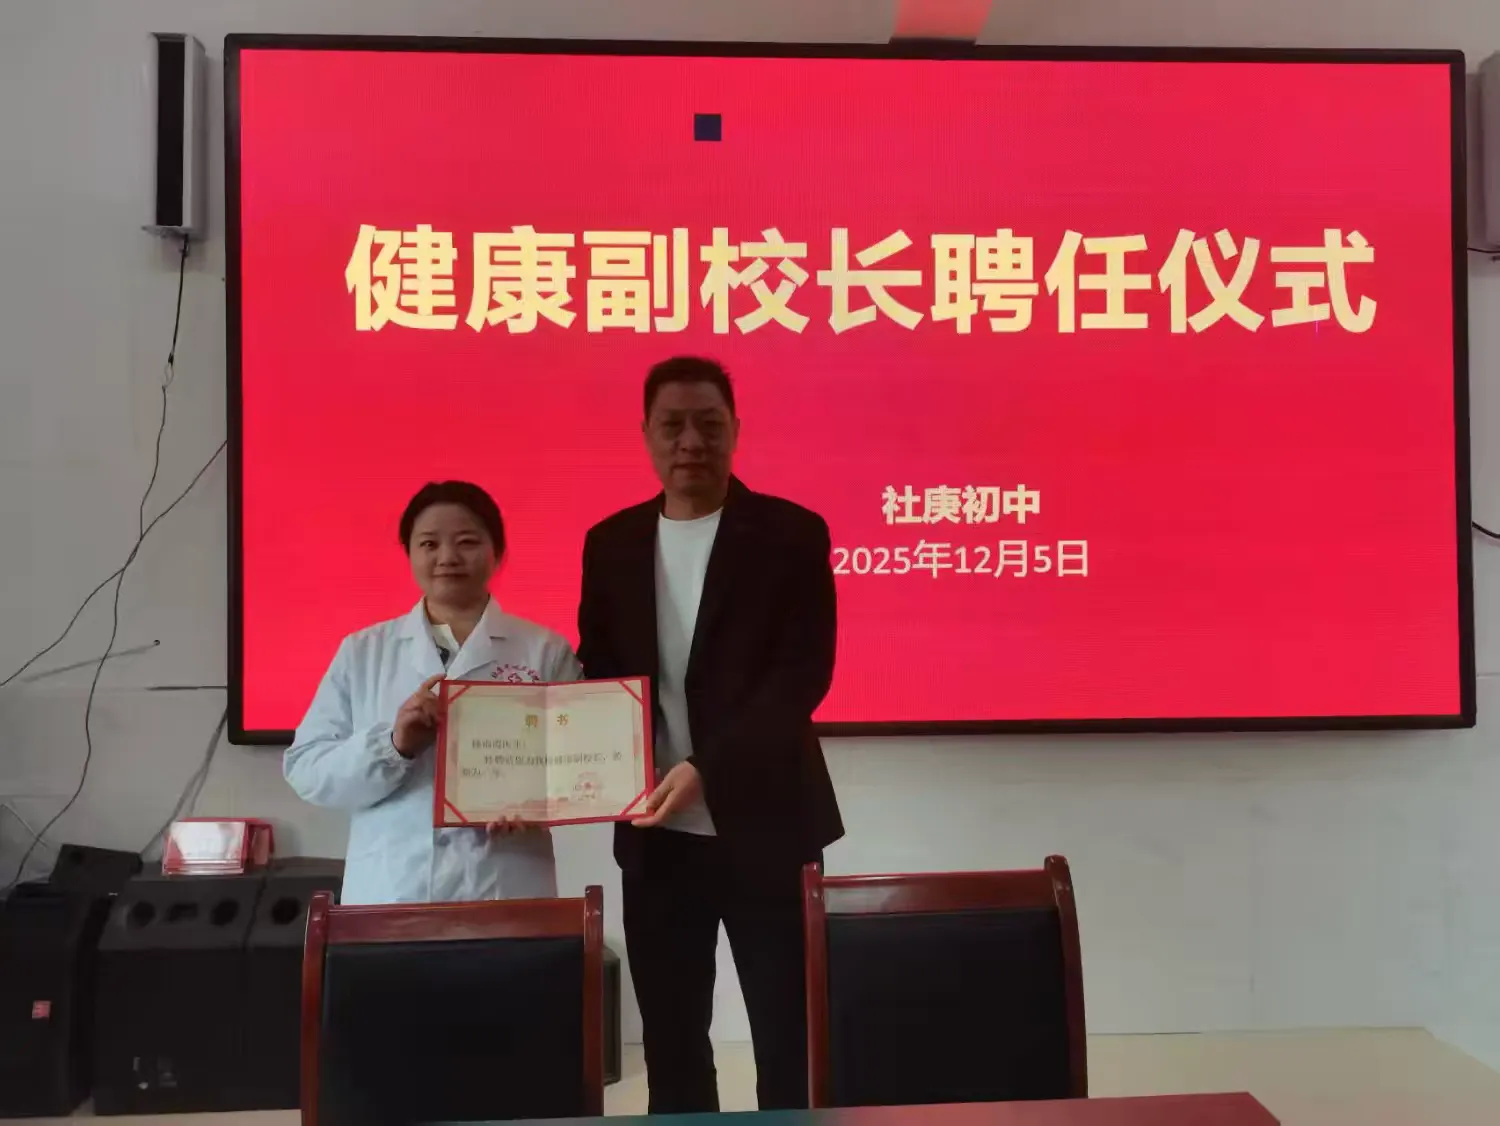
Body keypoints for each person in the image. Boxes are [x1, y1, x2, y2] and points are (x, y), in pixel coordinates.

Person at [577, 356, 843, 1112]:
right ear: (646, 434)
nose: (690, 441)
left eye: (708, 424)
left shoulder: (790, 533)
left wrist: (706, 768)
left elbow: (801, 679)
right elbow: (601, 673)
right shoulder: (611, 542)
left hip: (770, 828)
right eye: (673, 425)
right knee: (672, 1043)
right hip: (656, 837)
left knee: (790, 1036)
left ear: (735, 431)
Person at [285, 480, 580, 906]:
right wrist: (393, 746)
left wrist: (537, 804)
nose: (448, 557)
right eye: (429, 544)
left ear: (497, 551)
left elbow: (580, 763)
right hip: (392, 891)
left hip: (504, 887)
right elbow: (306, 770)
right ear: (408, 553)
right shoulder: (363, 651)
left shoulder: (544, 650)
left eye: (467, 542)